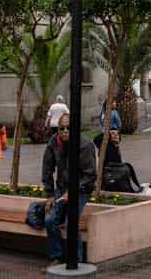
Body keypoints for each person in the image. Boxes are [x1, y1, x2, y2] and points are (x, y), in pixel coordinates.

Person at [41, 113, 97, 263]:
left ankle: (76, 261)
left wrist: (73, 191)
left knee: (71, 220)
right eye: (61, 128)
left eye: (68, 128)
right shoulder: (54, 142)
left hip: (81, 190)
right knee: (50, 220)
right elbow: (47, 168)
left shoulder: (85, 145)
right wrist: (50, 194)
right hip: (62, 188)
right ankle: (57, 257)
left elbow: (90, 176)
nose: (65, 131)